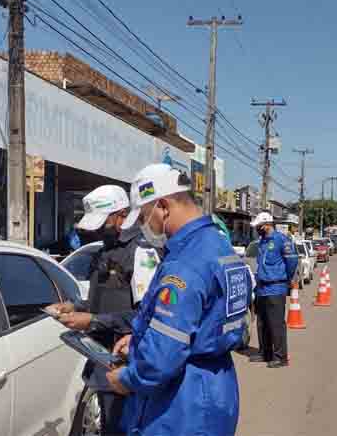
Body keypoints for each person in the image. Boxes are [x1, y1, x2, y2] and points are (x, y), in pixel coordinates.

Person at [103, 163, 252, 435]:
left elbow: (162, 357)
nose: (141, 226)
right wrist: (139, 338)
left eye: (143, 217)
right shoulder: (220, 245)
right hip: (217, 388)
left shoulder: (185, 263)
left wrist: (126, 380)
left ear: (163, 207)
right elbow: (205, 320)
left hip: (182, 403)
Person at [47, 185, 160, 435]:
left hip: (127, 366)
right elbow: (102, 300)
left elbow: (148, 317)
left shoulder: (141, 253)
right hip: (103, 361)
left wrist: (93, 321)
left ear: (121, 215)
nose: (97, 229)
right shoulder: (103, 251)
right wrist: (74, 307)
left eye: (102, 223)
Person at [250, 211, 298, 368]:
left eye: (259, 226)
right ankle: (265, 352)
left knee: (276, 324)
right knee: (262, 323)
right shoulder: (262, 242)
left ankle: (280, 357)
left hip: (276, 287)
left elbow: (292, 261)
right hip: (262, 288)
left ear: (267, 225)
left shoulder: (281, 240)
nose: (257, 229)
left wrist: (286, 278)